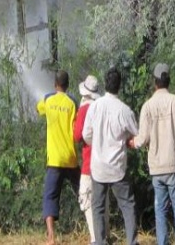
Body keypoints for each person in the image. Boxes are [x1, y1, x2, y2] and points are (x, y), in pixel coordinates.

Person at [130, 63, 175, 245]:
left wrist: (132, 142)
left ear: (155, 82)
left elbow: (142, 138)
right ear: (168, 81)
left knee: (160, 210)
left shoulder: (147, 106)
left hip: (157, 167)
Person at [82, 68, 139, 245]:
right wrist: (127, 140)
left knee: (98, 207)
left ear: (105, 84)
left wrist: (97, 143)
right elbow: (137, 135)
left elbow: (86, 134)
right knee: (127, 206)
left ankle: (100, 242)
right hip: (117, 168)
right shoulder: (124, 110)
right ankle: (132, 242)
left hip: (98, 166)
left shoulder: (94, 107)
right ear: (119, 86)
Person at [37, 70, 80, 245]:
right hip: (70, 158)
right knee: (84, 194)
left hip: (54, 159)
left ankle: (51, 237)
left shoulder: (48, 99)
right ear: (68, 85)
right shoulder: (73, 102)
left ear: (55, 84)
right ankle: (96, 232)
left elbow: (38, 109)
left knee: (50, 196)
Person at [73, 74, 102, 244]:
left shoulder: (84, 109)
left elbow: (77, 136)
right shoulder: (102, 106)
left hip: (89, 162)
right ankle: (103, 236)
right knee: (101, 200)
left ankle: (95, 238)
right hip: (104, 162)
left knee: (87, 200)